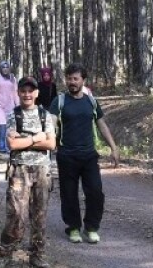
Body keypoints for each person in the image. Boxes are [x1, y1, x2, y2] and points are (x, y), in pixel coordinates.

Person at [49, 62, 119, 244]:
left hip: (89, 155)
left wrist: (113, 146)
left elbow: (101, 123)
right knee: (69, 194)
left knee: (95, 192)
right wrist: (47, 144)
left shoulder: (91, 101)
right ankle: (73, 228)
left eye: (75, 79)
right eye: (69, 78)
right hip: (67, 155)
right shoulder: (60, 101)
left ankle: (91, 227)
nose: (71, 82)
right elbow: (51, 124)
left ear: (83, 80)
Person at [0, 76, 56, 268]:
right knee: (16, 213)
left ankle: (37, 256)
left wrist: (25, 139)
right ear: (18, 93)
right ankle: (5, 254)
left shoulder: (44, 115)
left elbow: (51, 143)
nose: (27, 94)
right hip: (19, 170)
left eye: (30, 91)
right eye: (23, 91)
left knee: (39, 215)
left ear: (37, 93)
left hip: (42, 170)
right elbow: (13, 144)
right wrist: (35, 139)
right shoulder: (13, 115)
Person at [0, 61, 18, 153]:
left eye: (7, 67)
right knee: (1, 125)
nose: (5, 69)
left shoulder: (13, 78)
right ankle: (0, 145)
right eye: (3, 67)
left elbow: (15, 92)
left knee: (9, 126)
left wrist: (17, 105)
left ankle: (8, 145)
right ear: (0, 68)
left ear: (9, 68)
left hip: (9, 105)